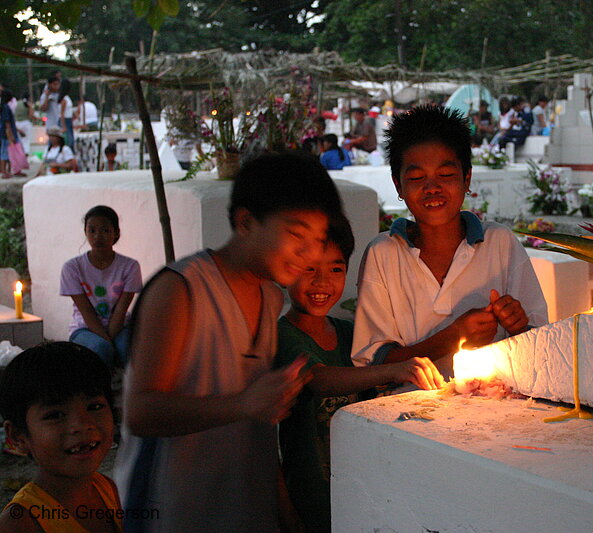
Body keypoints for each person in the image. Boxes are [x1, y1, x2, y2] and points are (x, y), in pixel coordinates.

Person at [114, 151, 346, 532]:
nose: (308, 255)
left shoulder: (270, 296)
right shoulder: (181, 289)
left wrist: (285, 514)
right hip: (173, 508)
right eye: (296, 235)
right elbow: (141, 412)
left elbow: (256, 423)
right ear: (245, 222)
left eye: (318, 241)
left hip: (243, 505)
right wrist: (242, 404)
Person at [276, 214, 442, 532]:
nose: (322, 282)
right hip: (311, 497)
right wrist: (394, 369)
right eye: (309, 269)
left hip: (360, 488)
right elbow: (320, 379)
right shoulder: (282, 336)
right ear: (286, 271)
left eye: (335, 269)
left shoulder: (352, 333)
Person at [351, 105, 548, 371]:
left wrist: (518, 325)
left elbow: (540, 342)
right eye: (417, 177)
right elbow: (375, 363)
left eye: (445, 175)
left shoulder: (499, 243)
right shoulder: (383, 253)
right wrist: (453, 337)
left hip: (495, 402)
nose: (432, 188)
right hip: (409, 406)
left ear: (467, 178)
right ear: (399, 185)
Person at [0, 342, 122, 533]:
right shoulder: (20, 523)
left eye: (94, 407)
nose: (82, 424)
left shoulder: (106, 488)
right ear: (18, 436)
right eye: (55, 415)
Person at [60, 205, 143, 369]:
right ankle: (100, 392)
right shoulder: (72, 267)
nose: (98, 236)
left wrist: (110, 339)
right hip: (84, 329)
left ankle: (131, 392)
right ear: (86, 232)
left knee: (129, 349)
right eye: (92, 230)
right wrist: (107, 343)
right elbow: (86, 312)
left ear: (116, 233)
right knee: (99, 348)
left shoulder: (130, 266)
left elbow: (121, 310)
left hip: (120, 327)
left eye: (105, 230)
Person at [0, 90, 20, 179]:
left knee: (7, 153)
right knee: (5, 153)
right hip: (6, 134)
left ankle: (7, 171)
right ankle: (4, 171)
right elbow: (7, 123)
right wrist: (10, 137)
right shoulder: (6, 107)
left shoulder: (4, 107)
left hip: (5, 133)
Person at [58, 78, 75, 149]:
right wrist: (64, 126)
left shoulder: (67, 98)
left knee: (71, 140)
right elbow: (62, 113)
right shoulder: (64, 99)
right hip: (65, 120)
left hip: (69, 120)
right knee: (69, 141)